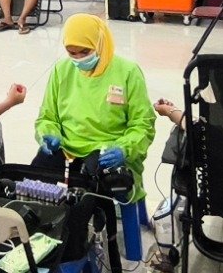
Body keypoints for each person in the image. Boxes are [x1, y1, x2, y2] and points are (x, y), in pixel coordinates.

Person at [32, 14, 157, 200]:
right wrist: (49, 134)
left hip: (107, 150)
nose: (78, 59)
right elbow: (47, 117)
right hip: (66, 147)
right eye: (72, 53)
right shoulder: (61, 70)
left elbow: (143, 124)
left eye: (85, 52)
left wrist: (124, 149)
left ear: (99, 43)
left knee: (92, 198)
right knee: (35, 186)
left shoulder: (128, 72)